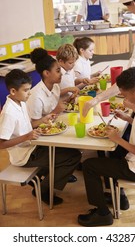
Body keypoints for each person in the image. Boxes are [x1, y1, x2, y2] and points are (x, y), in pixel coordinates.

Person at [78, 67, 135, 227]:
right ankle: (117, 197)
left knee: (88, 166)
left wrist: (117, 138)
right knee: (107, 153)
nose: (124, 99)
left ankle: (102, 213)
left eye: (125, 95)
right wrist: (129, 118)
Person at [0, 69, 80, 205]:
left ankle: (49, 178)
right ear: (13, 91)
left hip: (32, 146)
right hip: (24, 155)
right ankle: (43, 190)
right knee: (73, 157)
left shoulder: (20, 102)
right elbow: (1, 144)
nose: (29, 93)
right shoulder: (8, 113)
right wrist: (27, 136)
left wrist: (43, 120)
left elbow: (28, 124)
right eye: (26, 90)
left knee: (68, 151)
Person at [27, 48, 81, 185]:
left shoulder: (55, 87)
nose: (61, 74)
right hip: (32, 145)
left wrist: (70, 98)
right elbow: (33, 126)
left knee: (74, 145)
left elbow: (54, 107)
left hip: (49, 133)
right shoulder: (36, 96)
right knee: (73, 156)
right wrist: (56, 111)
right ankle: (45, 189)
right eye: (58, 71)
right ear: (46, 73)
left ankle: (61, 172)